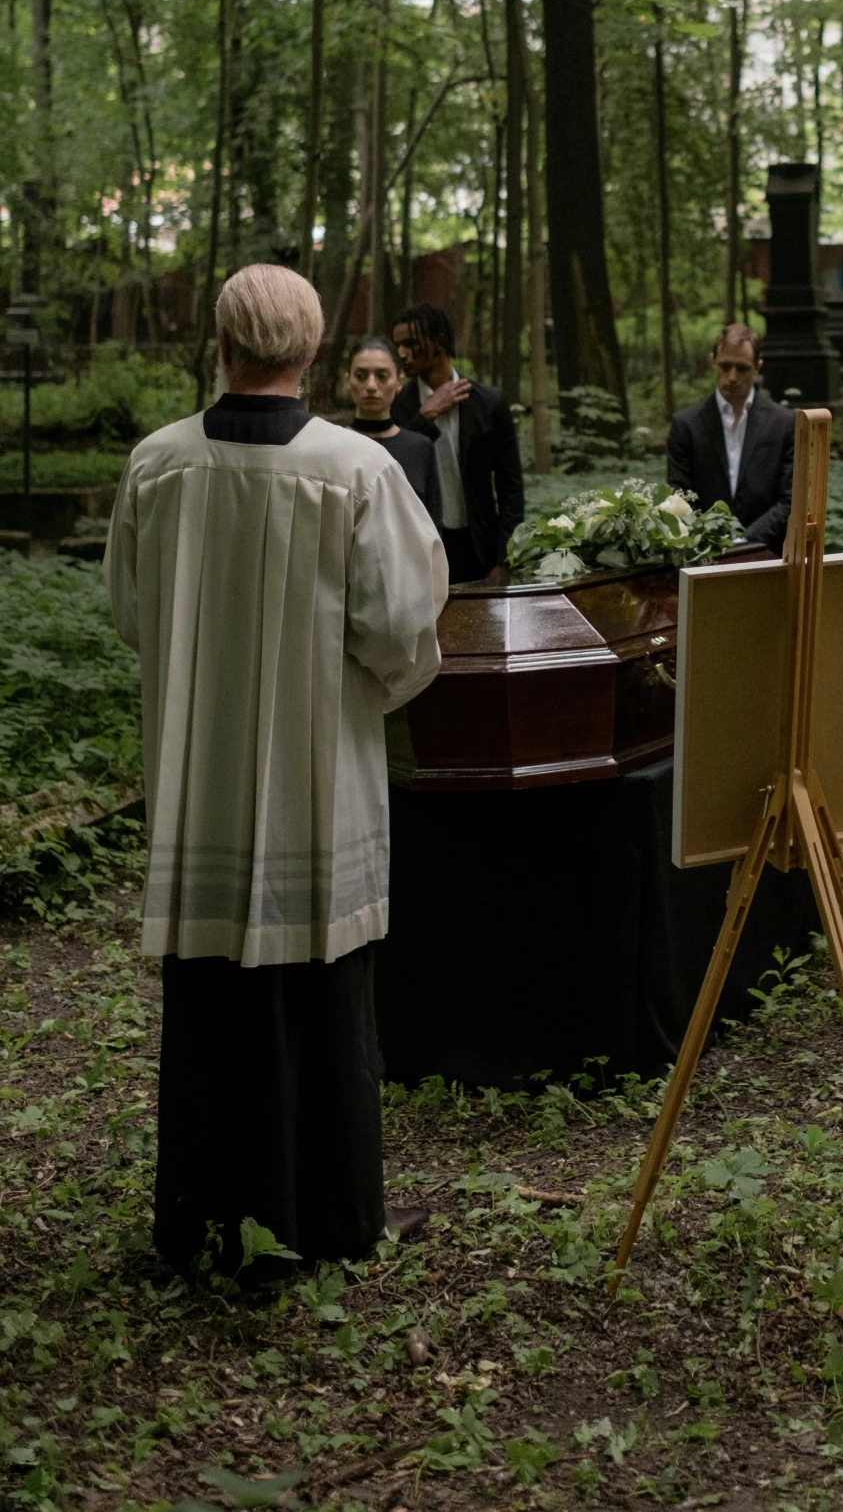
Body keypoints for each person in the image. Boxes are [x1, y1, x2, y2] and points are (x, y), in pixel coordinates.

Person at [104, 264, 447, 1275]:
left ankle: (203, 1214)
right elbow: (398, 626)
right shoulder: (356, 470)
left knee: (210, 992)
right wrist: (364, 692)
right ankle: (329, 1217)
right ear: (309, 352)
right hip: (315, 771)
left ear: (221, 342)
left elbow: (133, 610)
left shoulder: (157, 463)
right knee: (321, 989)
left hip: (198, 769)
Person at [390, 301, 525, 584]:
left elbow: (510, 488)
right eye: (398, 345)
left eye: (411, 343)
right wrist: (426, 416)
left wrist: (504, 560)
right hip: (422, 549)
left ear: (438, 342)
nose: (401, 353)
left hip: (480, 548)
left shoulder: (488, 402)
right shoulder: (398, 406)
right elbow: (392, 470)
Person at [665, 324, 795, 552]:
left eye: (742, 368)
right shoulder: (687, 425)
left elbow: (791, 498)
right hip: (703, 556)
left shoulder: (784, 423)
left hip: (767, 555)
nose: (732, 377)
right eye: (725, 366)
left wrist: (745, 542)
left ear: (757, 368)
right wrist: (711, 542)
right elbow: (680, 497)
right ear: (712, 363)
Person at [346, 337, 442, 525]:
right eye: (361, 376)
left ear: (399, 382)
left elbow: (433, 526)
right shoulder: (333, 446)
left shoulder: (420, 448)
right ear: (348, 380)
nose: (371, 386)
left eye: (382, 376)